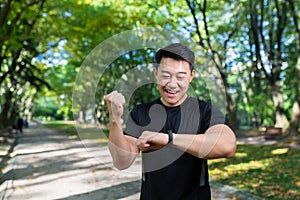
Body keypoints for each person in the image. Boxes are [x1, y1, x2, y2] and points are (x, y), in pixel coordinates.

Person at [105, 43, 236, 200]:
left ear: (191, 76)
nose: (172, 84)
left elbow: (227, 146)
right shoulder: (141, 112)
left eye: (180, 76)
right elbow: (122, 161)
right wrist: (115, 119)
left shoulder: (205, 111)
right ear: (156, 74)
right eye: (166, 75)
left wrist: (168, 138)